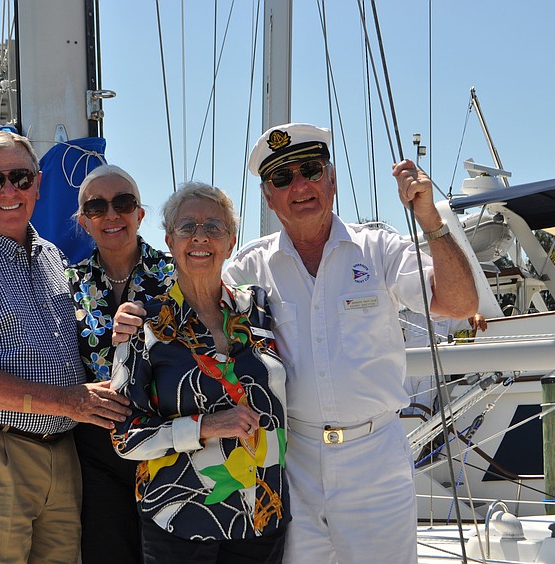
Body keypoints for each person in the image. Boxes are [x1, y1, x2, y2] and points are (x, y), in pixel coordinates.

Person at [114, 123, 478, 563]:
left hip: (374, 458)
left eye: (310, 170)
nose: (299, 186)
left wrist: (431, 221)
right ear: (269, 197)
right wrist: (134, 313)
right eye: (282, 179)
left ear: (332, 180)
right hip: (292, 465)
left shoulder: (378, 249)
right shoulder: (249, 266)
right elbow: (195, 286)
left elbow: (459, 304)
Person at [0, 130, 131, 564]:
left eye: (20, 177)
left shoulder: (53, 258)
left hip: (60, 455)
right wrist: (70, 401)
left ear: (38, 182)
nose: (9, 191)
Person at [110, 182, 290, 564]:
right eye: (187, 226)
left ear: (230, 241)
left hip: (263, 514)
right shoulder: (143, 323)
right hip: (180, 518)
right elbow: (125, 437)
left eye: (214, 226)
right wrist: (205, 426)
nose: (200, 237)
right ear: (170, 241)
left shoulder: (257, 308)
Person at [64, 164, 175, 564]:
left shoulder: (177, 274)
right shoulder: (66, 284)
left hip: (169, 444)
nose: (111, 215)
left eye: (123, 203)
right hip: (98, 451)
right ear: (83, 222)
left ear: (139, 214)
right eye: (97, 207)